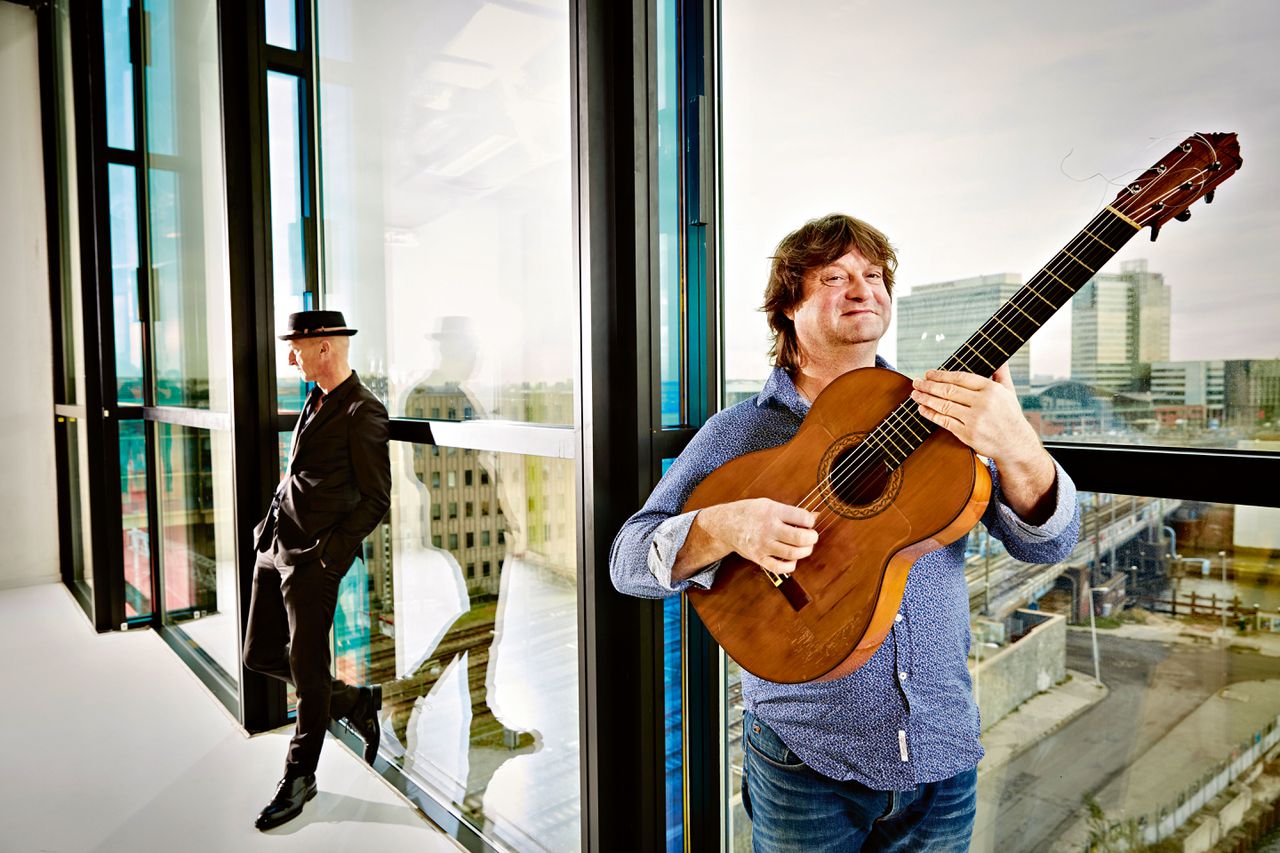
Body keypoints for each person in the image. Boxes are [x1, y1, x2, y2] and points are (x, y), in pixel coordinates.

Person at [609, 214, 1080, 851]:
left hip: (942, 756)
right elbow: (628, 562)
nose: (865, 288)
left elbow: (1045, 543)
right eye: (836, 277)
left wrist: (1019, 444)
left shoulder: (945, 417)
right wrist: (725, 524)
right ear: (787, 306)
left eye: (876, 275)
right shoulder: (736, 434)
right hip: (804, 762)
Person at [243, 309, 392, 831]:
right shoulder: (315, 398)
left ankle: (299, 778)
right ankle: (351, 699)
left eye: (297, 347)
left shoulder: (363, 412)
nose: (291, 356)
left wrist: (331, 557)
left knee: (308, 674)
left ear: (324, 347)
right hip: (274, 543)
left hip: (314, 561)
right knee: (258, 653)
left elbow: (377, 499)